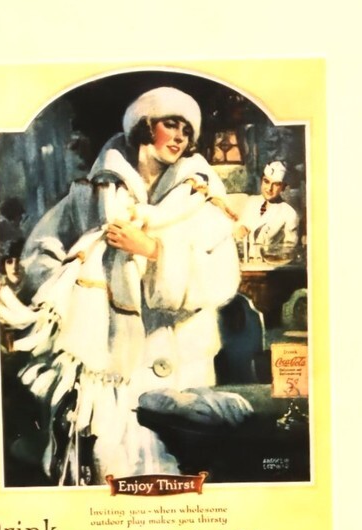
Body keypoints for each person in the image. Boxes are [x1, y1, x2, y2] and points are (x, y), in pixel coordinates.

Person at [15, 87, 240, 484]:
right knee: (112, 471)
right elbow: (39, 253)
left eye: (187, 130)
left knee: (178, 475)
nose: (180, 136)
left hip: (181, 363)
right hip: (112, 367)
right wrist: (74, 283)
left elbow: (223, 279)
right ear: (145, 126)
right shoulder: (91, 194)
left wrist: (154, 251)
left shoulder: (203, 199)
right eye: (171, 124)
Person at [234, 160, 300, 259]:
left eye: (276, 184)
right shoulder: (251, 202)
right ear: (261, 181)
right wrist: (240, 230)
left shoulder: (289, 213)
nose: (269, 188)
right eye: (266, 181)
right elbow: (238, 228)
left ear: (283, 187)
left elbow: (289, 250)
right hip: (247, 262)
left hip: (270, 264)